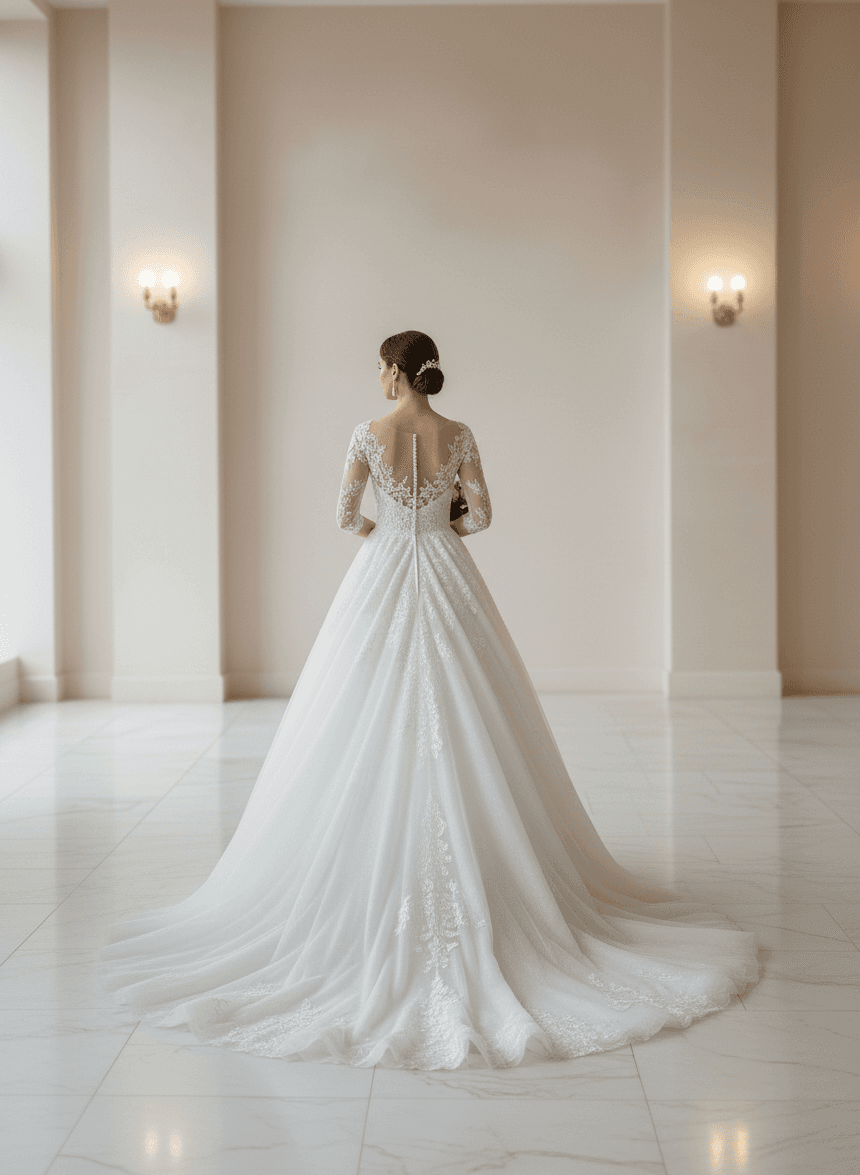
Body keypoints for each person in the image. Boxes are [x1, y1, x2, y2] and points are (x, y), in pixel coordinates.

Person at [99, 330, 759, 1070]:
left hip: (382, 568)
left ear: (392, 370)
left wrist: (392, 531)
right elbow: (479, 516)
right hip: (447, 569)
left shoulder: (368, 433)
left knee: (357, 714)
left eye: (379, 366)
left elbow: (346, 514)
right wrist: (435, 526)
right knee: (474, 712)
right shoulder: (459, 433)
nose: (377, 377)